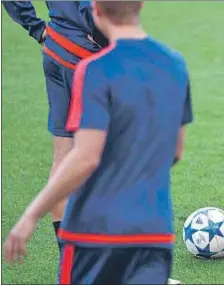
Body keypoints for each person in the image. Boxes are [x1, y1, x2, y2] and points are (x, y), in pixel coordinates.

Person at [4, 1, 193, 284]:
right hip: (153, 228)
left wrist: (31, 215)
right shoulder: (176, 64)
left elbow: (86, 157)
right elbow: (175, 150)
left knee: (64, 153)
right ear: (140, 4)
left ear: (96, 10)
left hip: (94, 232)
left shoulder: (95, 70)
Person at [2, 1, 108, 246]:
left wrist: (36, 27)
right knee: (114, 157)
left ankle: (70, 261)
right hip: (87, 58)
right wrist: (108, 40)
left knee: (63, 157)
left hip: (56, 50)